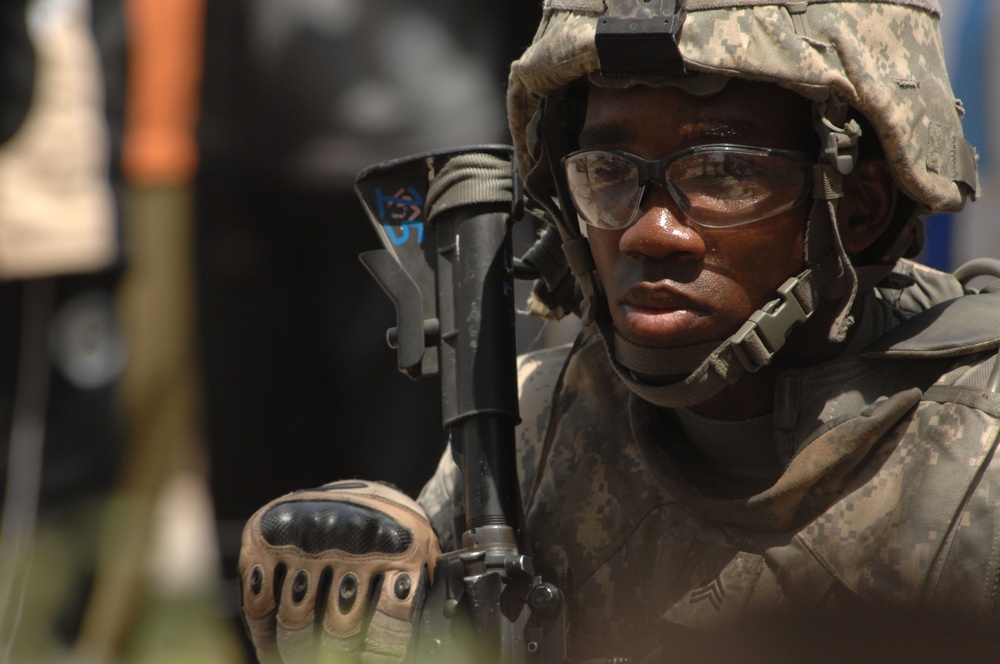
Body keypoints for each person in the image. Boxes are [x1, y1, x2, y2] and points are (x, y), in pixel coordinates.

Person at [238, 0, 1000, 662]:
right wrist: (381, 591)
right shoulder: (540, 423)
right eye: (607, 171)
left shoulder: (981, 454)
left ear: (857, 208)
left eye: (725, 172)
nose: (650, 232)